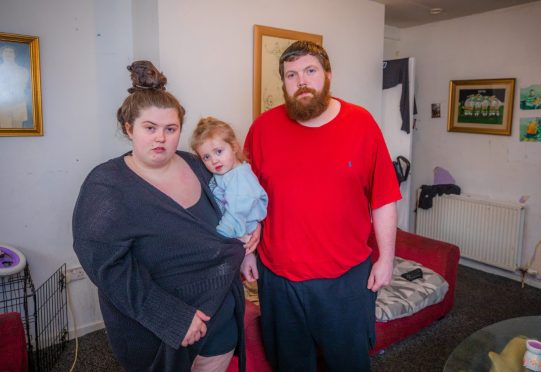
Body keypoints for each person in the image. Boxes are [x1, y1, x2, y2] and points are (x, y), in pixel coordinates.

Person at [72, 61, 259, 372]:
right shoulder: (107, 185)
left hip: (220, 315)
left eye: (170, 129)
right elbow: (107, 267)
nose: (161, 138)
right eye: (150, 128)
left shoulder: (199, 165)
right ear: (129, 129)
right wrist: (172, 317)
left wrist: (254, 230)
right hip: (162, 331)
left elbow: (237, 198)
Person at [242, 41, 401, 371]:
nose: (301, 81)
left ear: (328, 75)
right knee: (289, 364)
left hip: (346, 280)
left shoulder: (362, 124)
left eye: (310, 71)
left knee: (348, 364)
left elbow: (383, 198)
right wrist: (246, 252)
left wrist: (386, 258)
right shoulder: (262, 128)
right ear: (284, 82)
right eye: (291, 74)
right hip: (278, 280)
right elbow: (246, 200)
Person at [190, 116, 267, 246]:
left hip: (239, 231)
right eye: (206, 157)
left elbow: (235, 213)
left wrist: (218, 237)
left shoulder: (240, 179)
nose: (214, 160)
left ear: (234, 147)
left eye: (218, 151)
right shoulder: (226, 172)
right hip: (234, 228)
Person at [0, 45, 29, 128]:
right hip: (2, 106)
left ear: (14, 55)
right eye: (6, 52)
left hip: (19, 105)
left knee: (18, 131)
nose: (8, 54)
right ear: (2, 54)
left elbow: (23, 87)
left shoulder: (23, 70)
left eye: (11, 52)